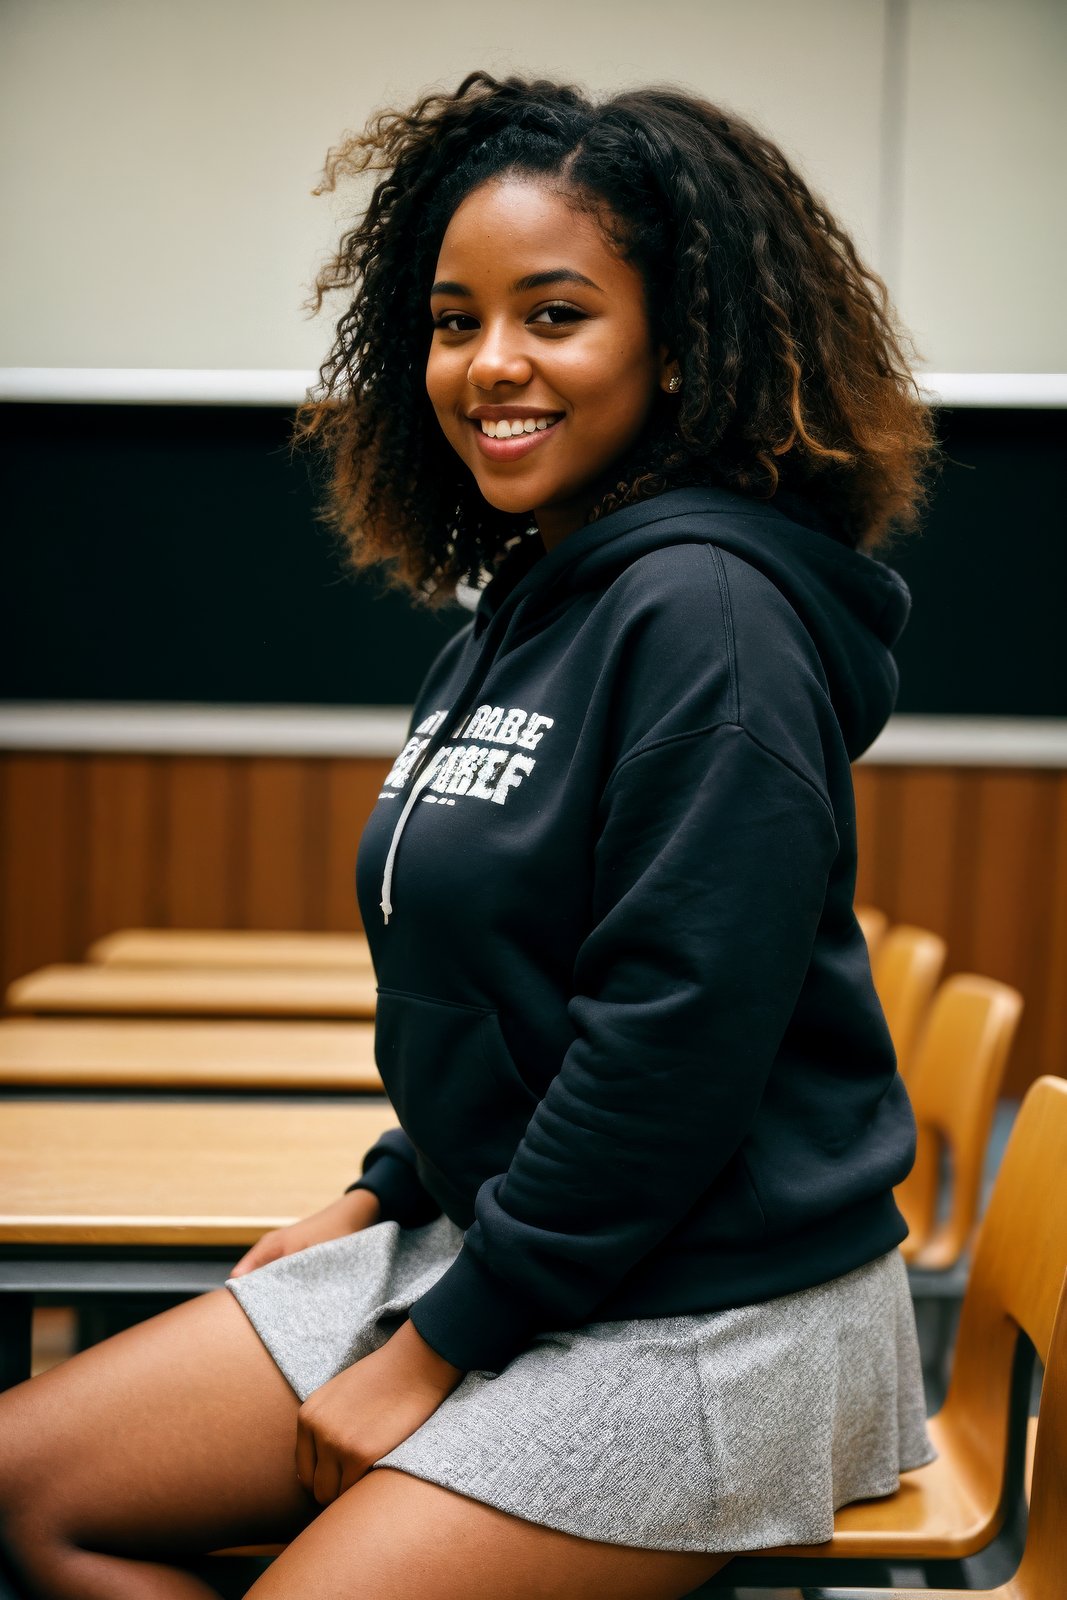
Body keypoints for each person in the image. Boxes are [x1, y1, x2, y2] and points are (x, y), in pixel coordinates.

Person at [0, 71, 938, 1600]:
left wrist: (432, 1348)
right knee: (30, 1489)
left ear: (681, 345)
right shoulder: (533, 605)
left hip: (710, 1314)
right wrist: (392, 1182)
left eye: (555, 315)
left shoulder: (709, 619)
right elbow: (503, 984)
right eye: (452, 320)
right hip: (523, 1249)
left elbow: (670, 1049)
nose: (488, 363)